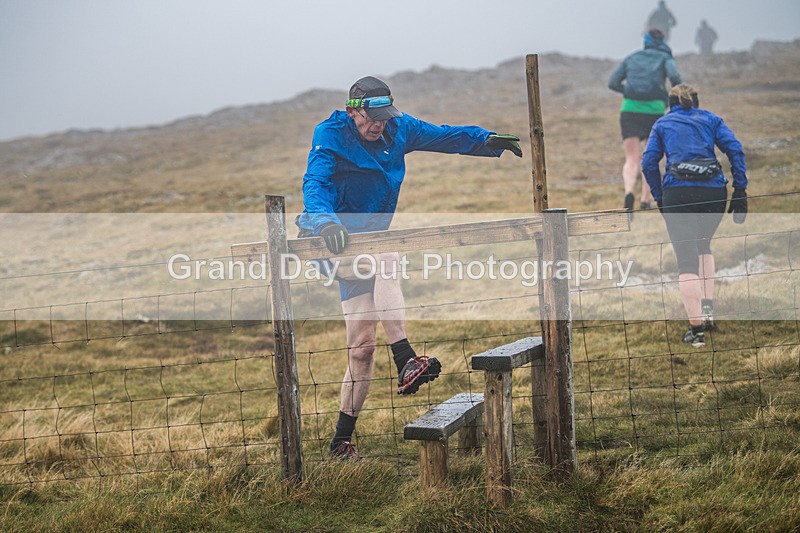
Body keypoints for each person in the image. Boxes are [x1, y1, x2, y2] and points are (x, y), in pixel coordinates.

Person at [296, 76, 522, 460]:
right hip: (329, 238)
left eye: (385, 117)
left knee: (362, 348)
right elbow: (315, 184)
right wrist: (326, 223)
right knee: (387, 258)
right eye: (372, 118)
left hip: (369, 241)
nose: (379, 125)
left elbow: (443, 135)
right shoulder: (330, 134)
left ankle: (340, 443)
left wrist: (485, 139)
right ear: (352, 111)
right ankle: (406, 359)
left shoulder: (399, 129)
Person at [642, 84, 748, 347]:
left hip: (678, 194)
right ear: (696, 101)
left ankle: (697, 331)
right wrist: (740, 189)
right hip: (713, 193)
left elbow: (648, 162)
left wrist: (660, 197)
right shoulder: (711, 119)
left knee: (686, 261)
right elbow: (735, 149)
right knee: (704, 246)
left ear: (670, 103)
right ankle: (708, 313)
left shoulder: (662, 124)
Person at [609, 28, 683, 216]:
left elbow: (613, 82)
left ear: (646, 40)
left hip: (630, 109)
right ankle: (645, 200)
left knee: (631, 158)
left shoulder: (632, 57)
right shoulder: (665, 58)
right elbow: (675, 77)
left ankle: (628, 193)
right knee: (650, 157)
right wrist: (667, 96)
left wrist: (629, 91)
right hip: (654, 110)